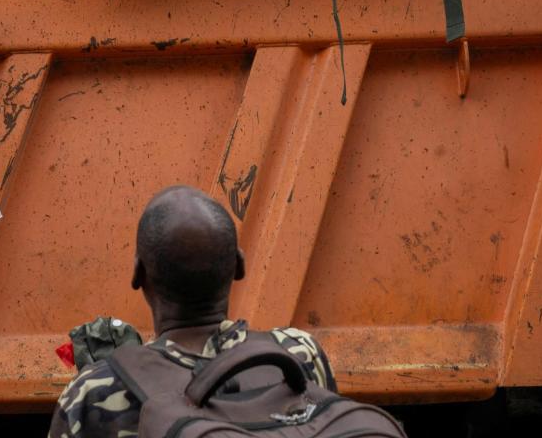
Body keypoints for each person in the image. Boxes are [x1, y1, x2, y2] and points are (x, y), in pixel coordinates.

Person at [48, 186, 338, 437]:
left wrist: (118, 369)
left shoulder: (93, 391)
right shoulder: (299, 353)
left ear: (139, 275)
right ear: (238, 267)